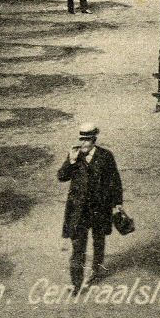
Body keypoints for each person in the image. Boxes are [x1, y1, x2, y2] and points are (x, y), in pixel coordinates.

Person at [57, 123, 125, 290]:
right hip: (78, 210)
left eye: (87, 140)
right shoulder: (74, 155)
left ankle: (96, 272)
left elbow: (114, 180)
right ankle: (76, 284)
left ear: (94, 140)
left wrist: (118, 203)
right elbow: (61, 176)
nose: (83, 144)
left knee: (98, 242)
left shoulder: (105, 156)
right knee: (78, 247)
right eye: (81, 139)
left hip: (100, 208)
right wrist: (71, 161)